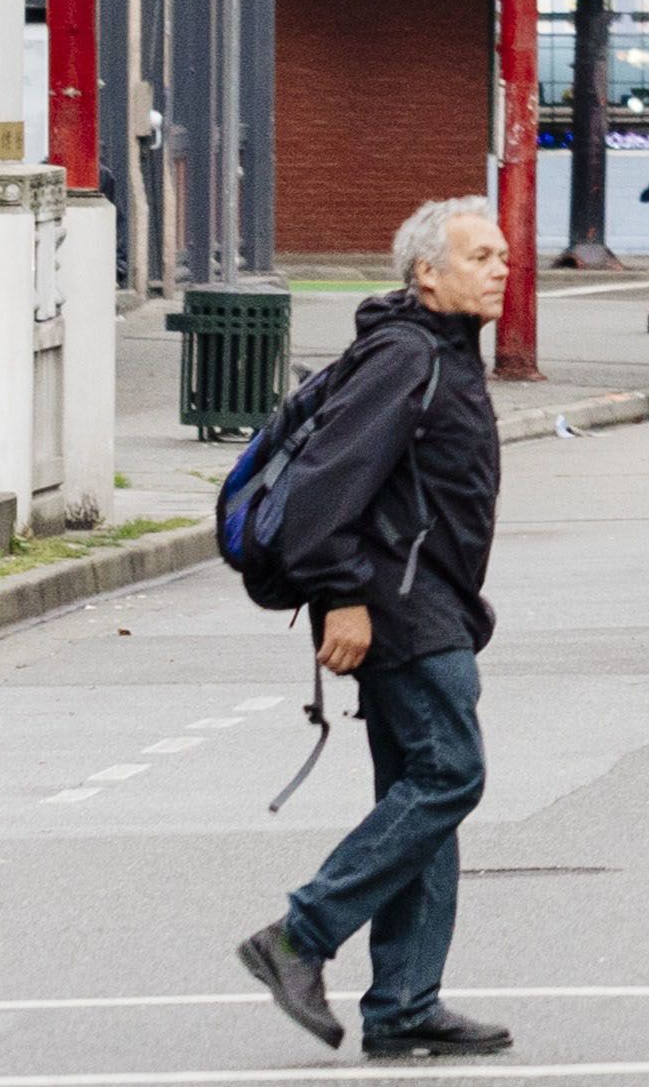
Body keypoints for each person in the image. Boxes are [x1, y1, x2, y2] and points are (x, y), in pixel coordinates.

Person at [237, 198, 518, 1062]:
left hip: (425, 600)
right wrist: (342, 597)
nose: (500, 265)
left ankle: (402, 1004)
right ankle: (300, 933)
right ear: (426, 273)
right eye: (479, 255)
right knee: (450, 775)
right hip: (401, 606)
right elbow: (328, 484)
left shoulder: (438, 351)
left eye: (503, 252)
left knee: (419, 796)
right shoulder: (404, 355)